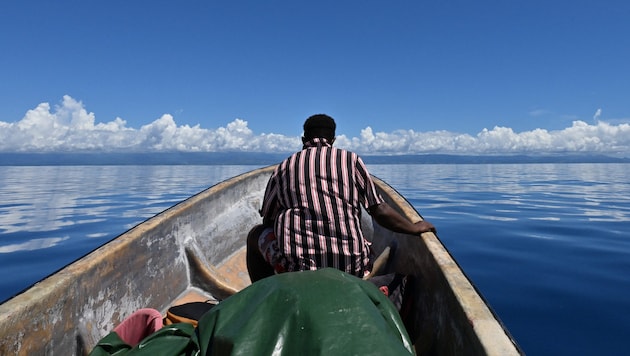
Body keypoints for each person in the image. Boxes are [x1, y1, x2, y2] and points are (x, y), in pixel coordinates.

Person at [246, 114, 435, 282]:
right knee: (363, 241)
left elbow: (268, 218)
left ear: (303, 139)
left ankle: (265, 295)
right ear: (333, 139)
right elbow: (379, 210)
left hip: (298, 271)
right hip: (353, 269)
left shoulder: (284, 167)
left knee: (255, 234)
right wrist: (414, 228)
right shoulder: (351, 161)